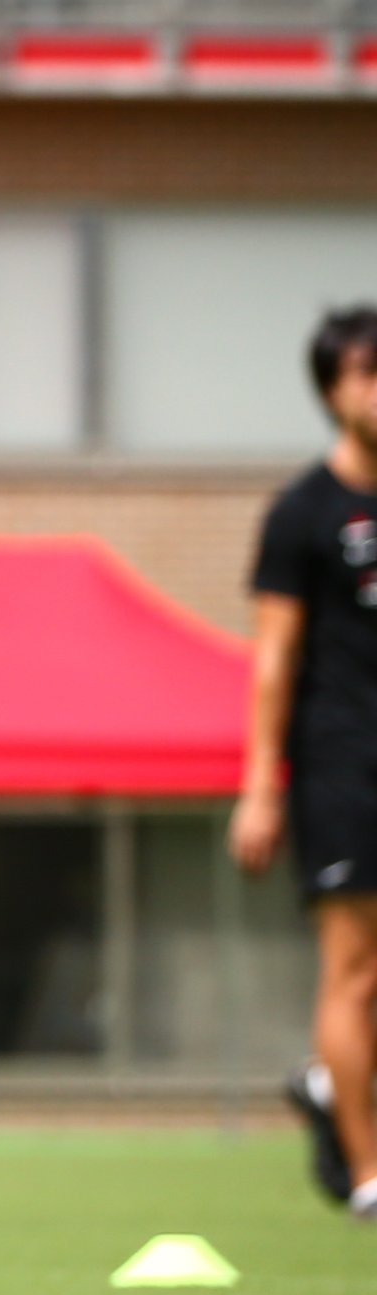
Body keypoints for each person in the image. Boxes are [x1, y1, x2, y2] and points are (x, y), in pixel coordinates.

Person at [233, 301, 377, 1223]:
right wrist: (259, 786)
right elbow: (274, 658)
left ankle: (330, 1081)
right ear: (333, 391)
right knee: (354, 966)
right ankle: (368, 1176)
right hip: (342, 765)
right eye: (368, 371)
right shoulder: (303, 513)